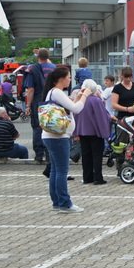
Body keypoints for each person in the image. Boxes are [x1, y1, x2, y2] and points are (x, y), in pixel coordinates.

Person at [41, 67, 87, 212]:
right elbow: (76, 109)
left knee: (56, 170)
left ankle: (57, 202)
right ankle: (65, 203)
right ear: (61, 79)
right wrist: (85, 95)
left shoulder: (52, 92)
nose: (70, 79)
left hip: (51, 136)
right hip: (58, 137)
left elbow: (70, 105)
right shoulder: (57, 92)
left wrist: (78, 97)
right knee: (62, 171)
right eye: (68, 77)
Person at [73, 79, 110, 184]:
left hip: (82, 131)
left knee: (86, 155)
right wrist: (105, 132)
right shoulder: (96, 101)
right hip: (95, 132)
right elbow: (102, 117)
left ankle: (87, 177)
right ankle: (98, 178)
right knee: (97, 155)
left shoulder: (81, 101)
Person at [24, 48, 56, 162]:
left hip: (38, 101)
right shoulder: (54, 68)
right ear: (48, 57)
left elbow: (31, 89)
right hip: (52, 100)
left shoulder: (32, 69)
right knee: (50, 127)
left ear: (38, 56)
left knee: (37, 127)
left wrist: (28, 105)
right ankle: (49, 155)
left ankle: (39, 155)